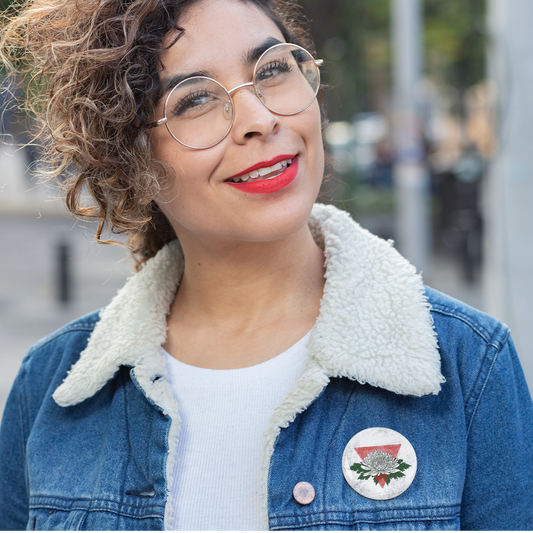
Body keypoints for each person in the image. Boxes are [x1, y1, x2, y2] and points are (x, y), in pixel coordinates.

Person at [0, 0, 532, 530]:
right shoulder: (51, 389)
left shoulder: (468, 367)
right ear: (131, 162)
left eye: (272, 70)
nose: (260, 119)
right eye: (195, 100)